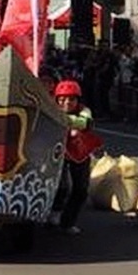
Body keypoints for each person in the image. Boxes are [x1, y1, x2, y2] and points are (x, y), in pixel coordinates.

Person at [52, 80, 102, 234]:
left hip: (79, 152)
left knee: (81, 189)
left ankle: (68, 222)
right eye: (63, 99)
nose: (67, 103)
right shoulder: (51, 109)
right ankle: (54, 212)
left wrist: (64, 119)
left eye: (71, 99)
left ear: (78, 100)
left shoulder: (84, 111)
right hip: (57, 152)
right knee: (59, 187)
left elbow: (86, 123)